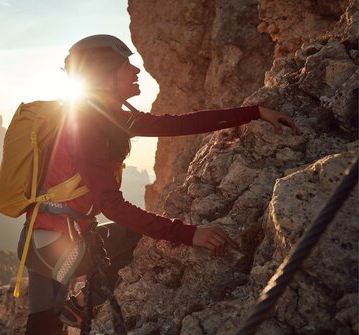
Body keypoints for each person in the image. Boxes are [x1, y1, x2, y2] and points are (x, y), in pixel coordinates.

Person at [17, 34, 300, 335]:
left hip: (41, 242)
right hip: (55, 247)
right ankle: (79, 307)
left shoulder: (108, 118)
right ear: (103, 76)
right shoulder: (85, 126)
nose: (136, 71)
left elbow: (179, 124)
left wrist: (254, 112)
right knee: (137, 237)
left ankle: (73, 310)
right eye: (126, 65)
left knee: (42, 325)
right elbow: (112, 207)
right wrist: (189, 234)